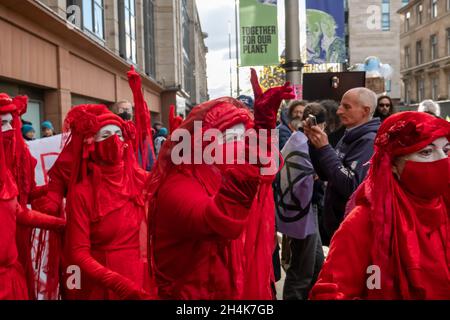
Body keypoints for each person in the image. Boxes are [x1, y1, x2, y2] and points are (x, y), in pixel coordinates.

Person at [147, 69, 294, 299]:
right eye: (230, 138)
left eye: (245, 138)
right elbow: (221, 221)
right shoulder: (178, 187)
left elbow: (263, 174)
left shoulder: (220, 175)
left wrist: (264, 127)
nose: (240, 146)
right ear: (201, 142)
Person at [310, 111, 450, 300]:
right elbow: (331, 291)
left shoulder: (445, 207)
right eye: (426, 152)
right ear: (393, 164)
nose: (442, 159)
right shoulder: (364, 221)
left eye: (447, 150)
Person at [62, 104, 152, 300]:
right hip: (103, 286)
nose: (114, 140)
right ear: (90, 143)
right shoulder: (81, 192)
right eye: (105, 135)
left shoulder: (140, 180)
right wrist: (117, 283)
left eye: (119, 134)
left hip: (141, 276)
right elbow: (78, 252)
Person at [303, 88, 380, 244]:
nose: (339, 111)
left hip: (352, 229)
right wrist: (314, 144)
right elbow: (326, 174)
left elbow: (351, 186)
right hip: (339, 224)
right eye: (340, 106)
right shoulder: (350, 134)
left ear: (365, 110)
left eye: (346, 107)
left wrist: (324, 148)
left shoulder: (369, 141)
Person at [0, 120, 65, 300]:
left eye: (9, 122)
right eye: (2, 123)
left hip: (12, 276)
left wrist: (60, 224)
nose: (8, 129)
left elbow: (20, 211)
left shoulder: (8, 175)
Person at [275, 103, 326, 300]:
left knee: (315, 265)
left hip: (303, 210)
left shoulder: (297, 140)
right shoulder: (302, 142)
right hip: (303, 212)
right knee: (301, 271)